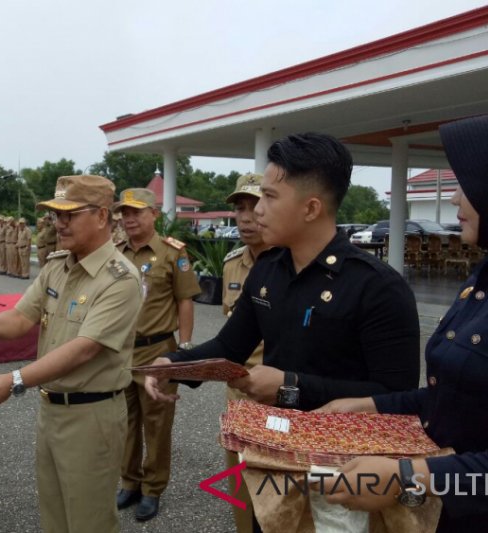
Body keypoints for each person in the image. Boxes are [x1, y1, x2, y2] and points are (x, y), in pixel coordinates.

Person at [145, 132, 420, 412]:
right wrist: (172, 364)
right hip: (272, 439)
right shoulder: (268, 269)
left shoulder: (377, 287)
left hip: (342, 451)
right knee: (239, 460)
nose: (258, 211)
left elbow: (397, 396)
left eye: (269, 197)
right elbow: (229, 347)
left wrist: (291, 385)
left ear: (311, 208)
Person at [317, 115, 488, 531]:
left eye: (464, 185)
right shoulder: (479, 282)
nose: (453, 201)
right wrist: (369, 407)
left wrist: (407, 477)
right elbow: (450, 397)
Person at [0, 175, 142, 533]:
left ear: (101, 216)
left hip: (92, 416)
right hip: (52, 410)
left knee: (89, 522)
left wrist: (15, 380)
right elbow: (20, 318)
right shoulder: (57, 265)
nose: (58, 224)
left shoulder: (120, 279)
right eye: (54, 215)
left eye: (69, 215)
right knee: (54, 517)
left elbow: (84, 349)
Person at [113, 188, 201, 521]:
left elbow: (185, 300)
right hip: (122, 352)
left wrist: (187, 348)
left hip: (158, 351)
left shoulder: (172, 253)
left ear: (154, 215)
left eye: (136, 211)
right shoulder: (115, 252)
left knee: (157, 424)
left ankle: (152, 489)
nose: (129, 218)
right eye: (124, 212)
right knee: (125, 422)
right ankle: (130, 483)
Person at [220, 172, 270, 533]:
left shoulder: (289, 265)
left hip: (277, 398)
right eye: (240, 207)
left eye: (254, 206)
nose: (246, 216)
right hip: (236, 396)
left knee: (277, 492)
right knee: (238, 483)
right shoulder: (232, 264)